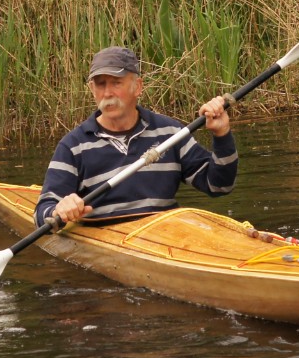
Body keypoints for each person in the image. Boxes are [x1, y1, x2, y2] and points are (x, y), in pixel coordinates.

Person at [35, 46, 238, 227]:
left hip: (167, 237)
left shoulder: (170, 133)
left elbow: (219, 186)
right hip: (107, 243)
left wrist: (221, 135)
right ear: (92, 90)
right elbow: (42, 212)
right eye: (100, 84)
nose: (107, 93)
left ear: (138, 87)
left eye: (116, 83)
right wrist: (58, 209)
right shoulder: (73, 146)